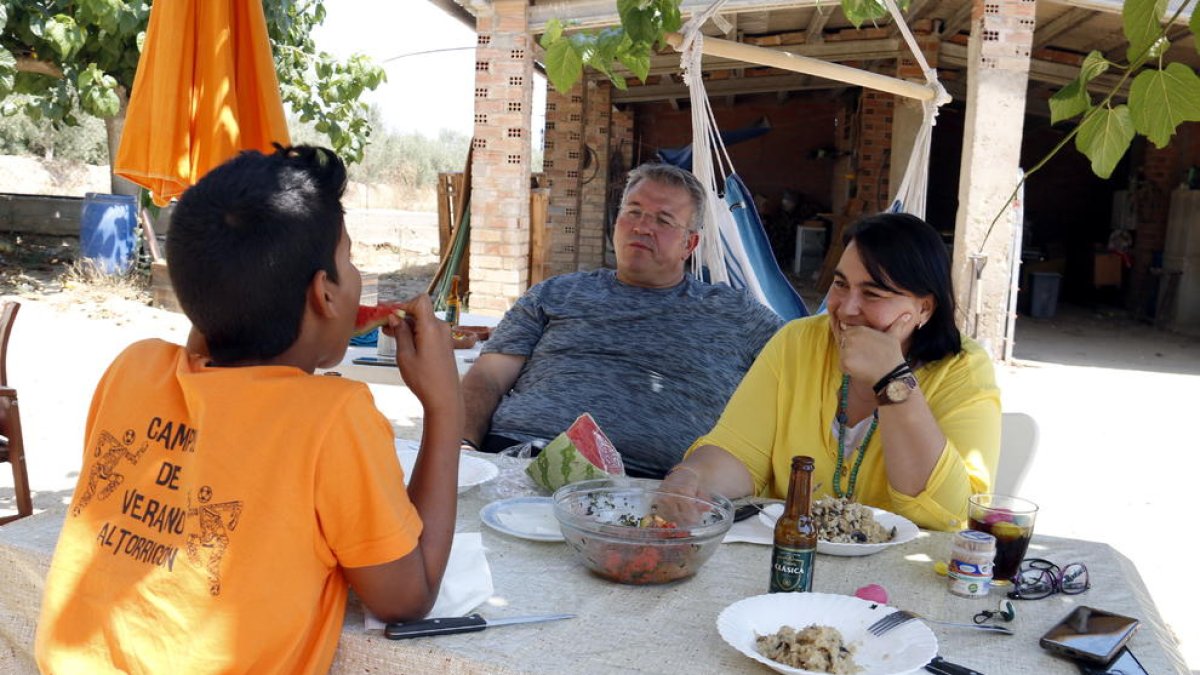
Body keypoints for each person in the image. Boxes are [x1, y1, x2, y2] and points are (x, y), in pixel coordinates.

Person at [36, 146, 464, 672]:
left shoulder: (134, 367)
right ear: (322, 294)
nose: (356, 277)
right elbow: (406, 598)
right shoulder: (335, 415)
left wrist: (305, 329)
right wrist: (444, 408)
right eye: (349, 260)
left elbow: (216, 342)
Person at [662, 212, 1000, 531]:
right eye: (840, 285)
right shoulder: (799, 341)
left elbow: (947, 513)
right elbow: (738, 453)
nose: (846, 309)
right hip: (791, 555)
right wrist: (692, 476)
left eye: (872, 293)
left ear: (923, 308)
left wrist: (892, 378)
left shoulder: (964, 369)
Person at [461, 163, 783, 478]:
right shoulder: (554, 294)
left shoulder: (736, 314)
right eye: (634, 211)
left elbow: (808, 361)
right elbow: (488, 377)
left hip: (654, 486)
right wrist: (462, 445)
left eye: (664, 219)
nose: (642, 227)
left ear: (690, 244)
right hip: (517, 458)